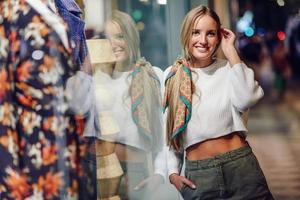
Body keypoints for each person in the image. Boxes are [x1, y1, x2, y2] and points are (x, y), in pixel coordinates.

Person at [163, 5, 274, 199]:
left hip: (240, 167)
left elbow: (247, 98)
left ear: (219, 37)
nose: (203, 40)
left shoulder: (229, 69)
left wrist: (231, 51)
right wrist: (173, 172)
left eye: (211, 34)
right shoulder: (173, 76)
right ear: (186, 34)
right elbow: (171, 131)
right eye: (195, 32)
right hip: (200, 176)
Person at [0, 0, 93, 199]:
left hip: (63, 155)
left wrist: (85, 78)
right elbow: (3, 104)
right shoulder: (10, 13)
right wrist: (13, 184)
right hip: (32, 160)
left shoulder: (61, 9)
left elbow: (64, 92)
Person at [98, 10, 166, 200]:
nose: (114, 44)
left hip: (136, 172)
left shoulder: (152, 77)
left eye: (120, 36)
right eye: (107, 38)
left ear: (131, 37)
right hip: (101, 171)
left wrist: (159, 174)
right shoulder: (97, 81)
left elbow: (163, 136)